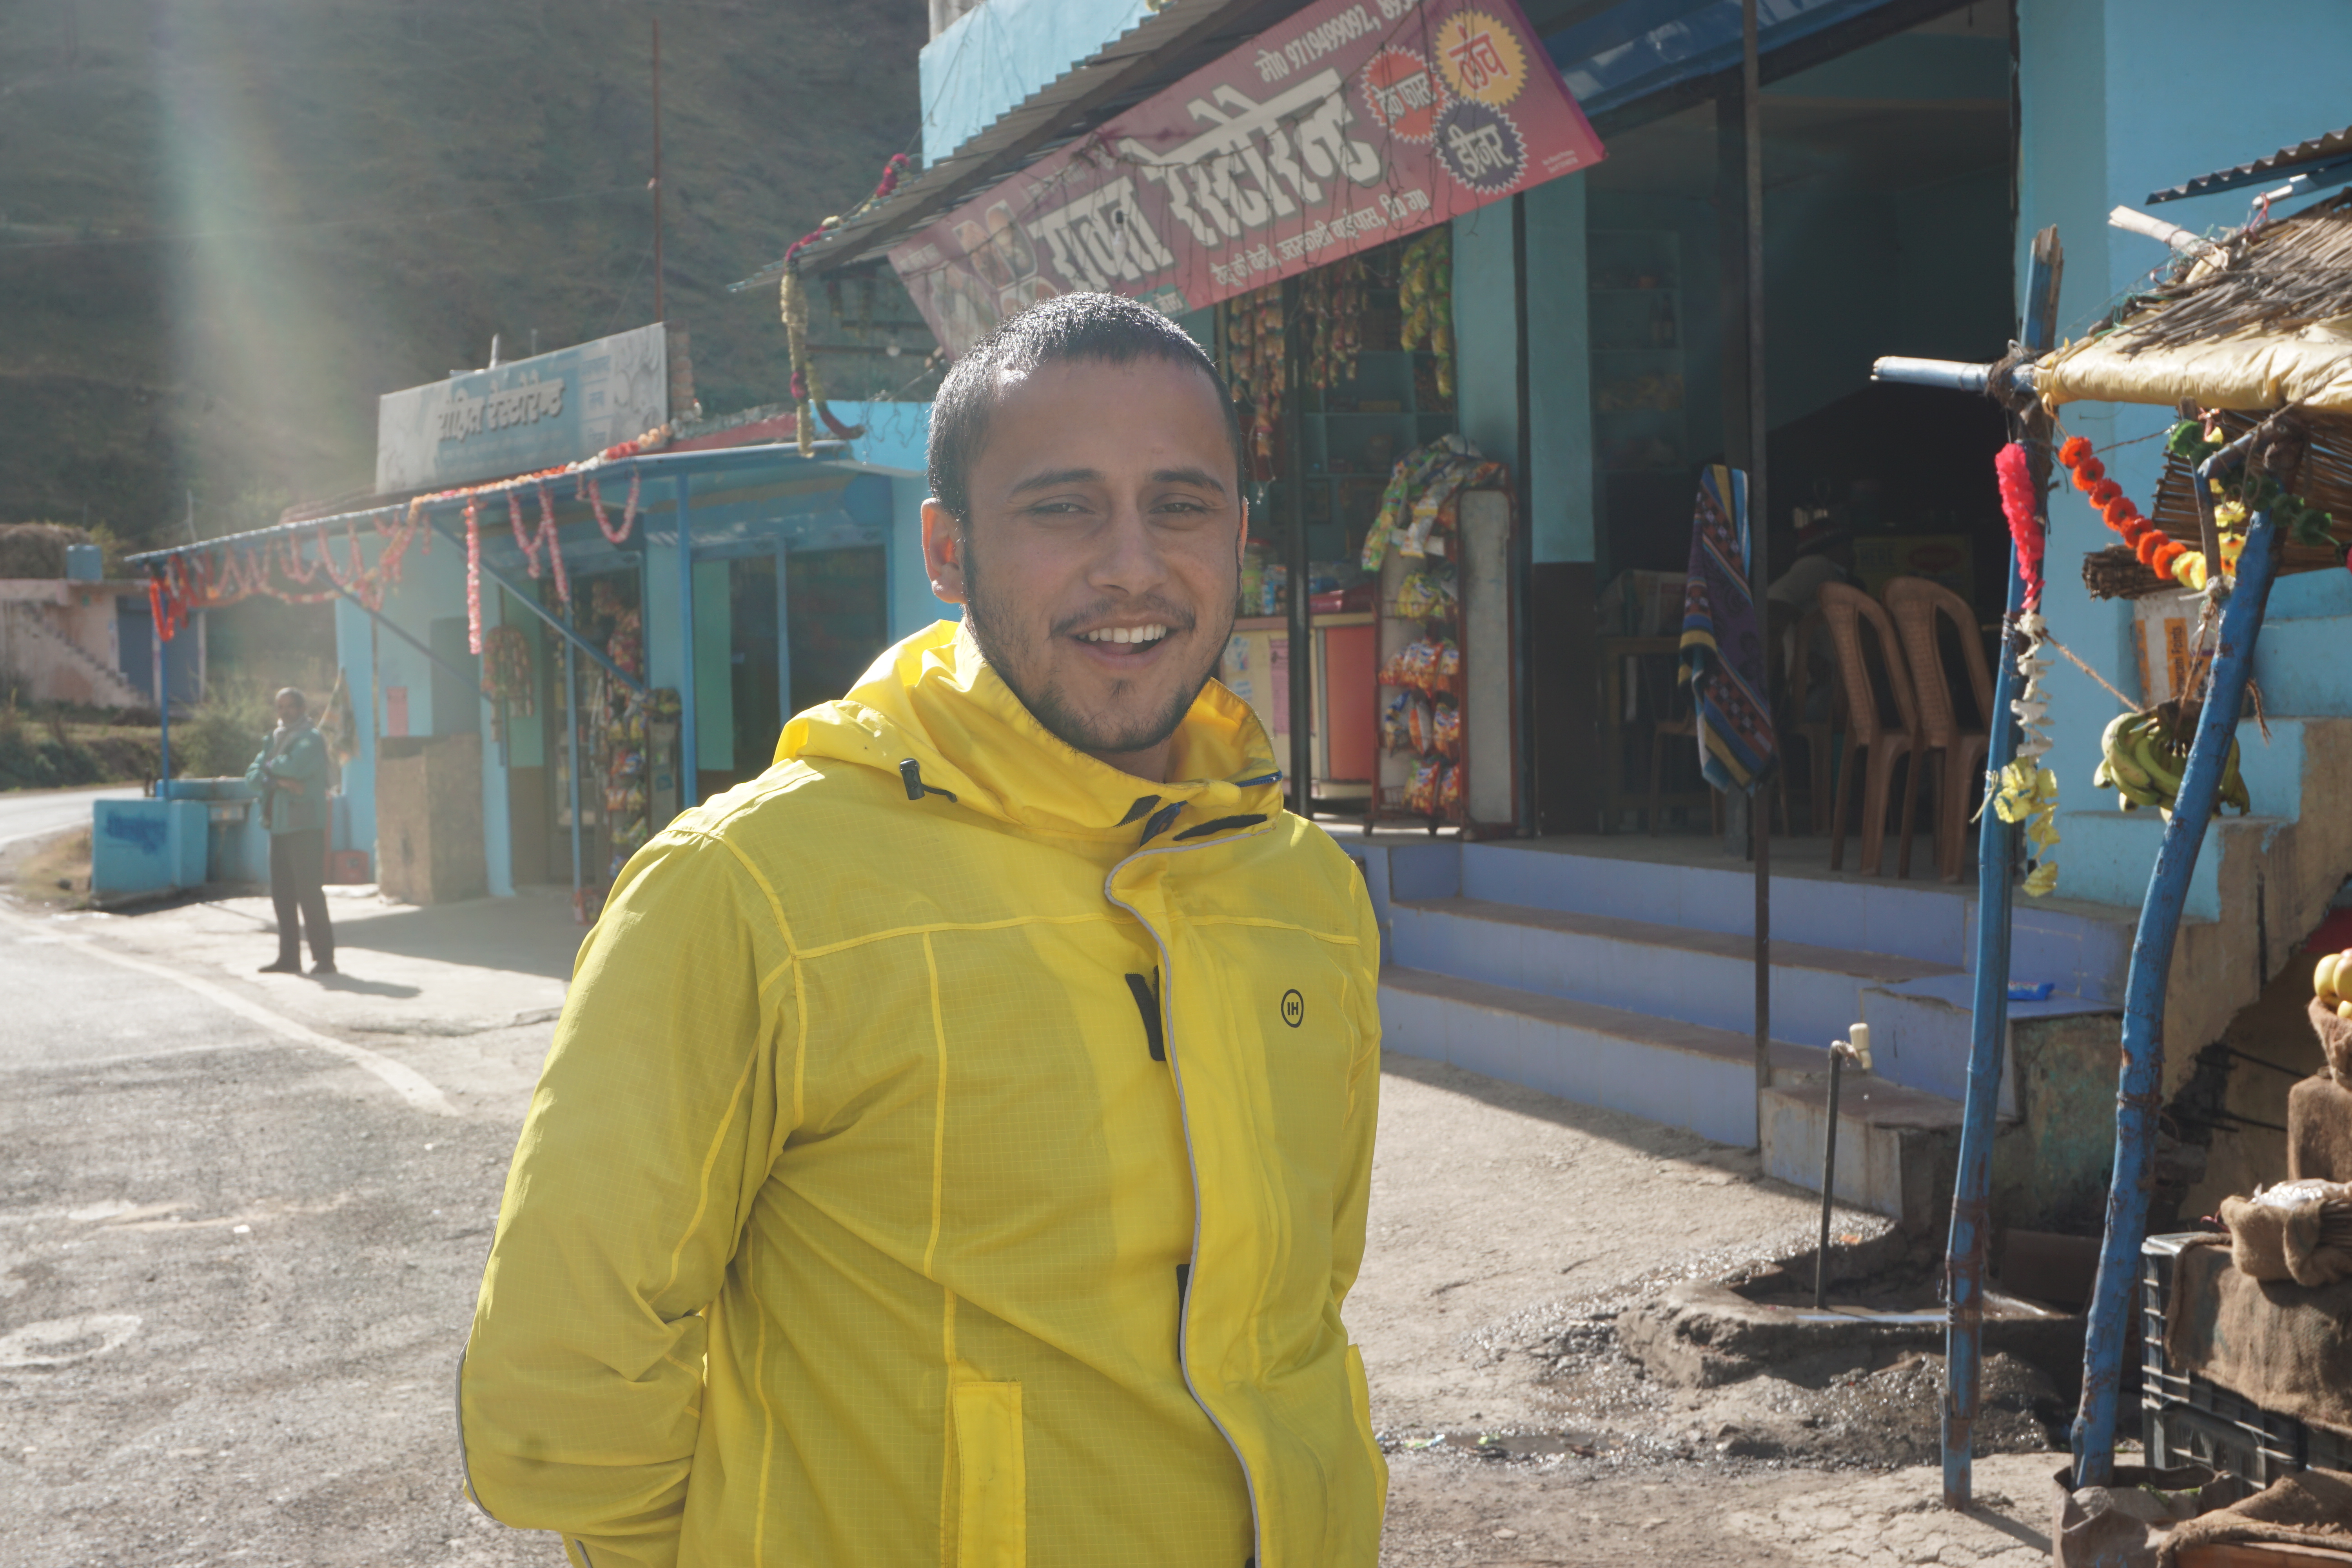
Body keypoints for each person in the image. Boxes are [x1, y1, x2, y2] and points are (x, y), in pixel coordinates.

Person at [458, 293, 1386, 1568]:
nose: (1132, 563)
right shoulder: (748, 894)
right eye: (1063, 507)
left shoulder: (1305, 895)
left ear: (1240, 533)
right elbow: (560, 1396)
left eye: (1180, 505)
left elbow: (1298, 1312)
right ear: (946, 551)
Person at [246, 686, 334, 976]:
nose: (285, 712)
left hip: (305, 825)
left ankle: (324, 959)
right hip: (278, 826)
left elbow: (295, 767)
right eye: (280, 707)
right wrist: (279, 781)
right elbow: (251, 777)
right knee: (282, 894)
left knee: (310, 893)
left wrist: (272, 773)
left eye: (291, 706)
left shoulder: (310, 739)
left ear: (302, 708)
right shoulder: (273, 739)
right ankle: (289, 958)